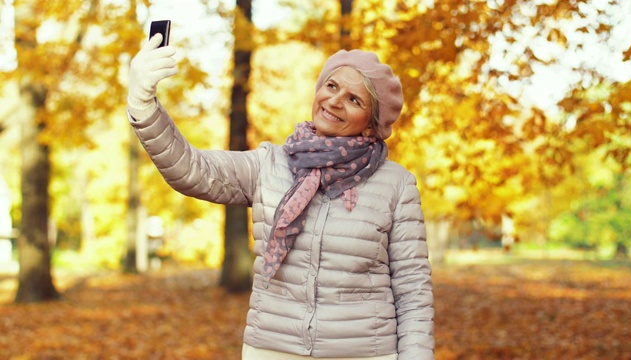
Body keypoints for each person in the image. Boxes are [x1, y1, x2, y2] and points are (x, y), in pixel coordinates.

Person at [127, 33, 435, 360]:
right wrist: (144, 105)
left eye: (354, 100)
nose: (334, 101)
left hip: (364, 353)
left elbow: (413, 290)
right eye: (331, 86)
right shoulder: (269, 165)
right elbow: (191, 169)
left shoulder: (396, 184)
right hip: (272, 350)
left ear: (371, 126)